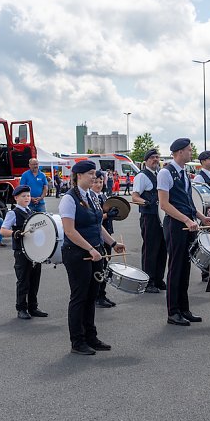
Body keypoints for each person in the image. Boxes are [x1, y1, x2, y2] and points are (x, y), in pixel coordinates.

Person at [60, 160, 125, 355]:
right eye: (90, 174)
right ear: (79, 175)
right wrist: (90, 249)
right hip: (77, 253)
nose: (94, 177)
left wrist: (112, 243)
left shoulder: (94, 197)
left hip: (95, 252)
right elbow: (69, 231)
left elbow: (97, 225)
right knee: (79, 297)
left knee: (91, 296)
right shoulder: (69, 199)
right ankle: (77, 341)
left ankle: (90, 336)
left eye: (95, 174)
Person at [158, 138, 210, 326]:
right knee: (175, 268)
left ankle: (184, 308)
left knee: (186, 267)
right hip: (175, 225)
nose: (192, 153)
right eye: (189, 150)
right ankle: (173, 312)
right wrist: (186, 220)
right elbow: (164, 204)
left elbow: (188, 202)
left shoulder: (184, 173)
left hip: (187, 224)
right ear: (179, 152)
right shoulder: (166, 173)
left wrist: (201, 217)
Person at [0, 185, 48, 320]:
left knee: (34, 280)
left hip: (34, 251)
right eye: (23, 196)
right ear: (16, 198)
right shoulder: (12, 213)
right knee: (23, 281)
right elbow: (2, 230)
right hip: (21, 252)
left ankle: (33, 307)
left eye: (28, 195)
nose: (27, 198)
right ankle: (21, 308)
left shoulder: (31, 212)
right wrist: (14, 233)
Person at [131, 149, 168, 293]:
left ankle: (158, 279)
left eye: (157, 157)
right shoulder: (142, 176)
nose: (155, 160)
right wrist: (146, 202)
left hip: (161, 216)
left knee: (162, 248)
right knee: (150, 249)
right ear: (146, 160)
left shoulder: (159, 175)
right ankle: (149, 281)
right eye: (152, 157)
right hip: (149, 217)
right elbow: (135, 197)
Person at [93, 170, 119, 308]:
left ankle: (102, 294)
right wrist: (107, 215)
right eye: (96, 182)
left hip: (107, 234)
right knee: (100, 267)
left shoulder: (103, 196)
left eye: (101, 182)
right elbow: (94, 219)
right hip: (98, 236)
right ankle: (97, 296)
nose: (98, 184)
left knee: (106, 266)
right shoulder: (92, 198)